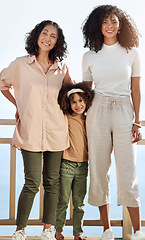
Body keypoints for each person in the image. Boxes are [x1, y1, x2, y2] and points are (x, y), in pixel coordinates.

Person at [0, 20, 72, 240]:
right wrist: (18, 105)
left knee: (52, 182)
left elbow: (73, 92)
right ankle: (20, 230)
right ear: (37, 36)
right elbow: (2, 84)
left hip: (57, 131)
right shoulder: (21, 64)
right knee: (31, 182)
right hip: (30, 131)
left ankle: (47, 229)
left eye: (53, 36)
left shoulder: (62, 68)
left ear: (57, 42)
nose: (48, 38)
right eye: (45, 33)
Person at [82, 5, 142, 240]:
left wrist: (137, 122)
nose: (110, 25)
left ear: (120, 24)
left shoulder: (132, 52)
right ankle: (107, 229)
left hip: (124, 110)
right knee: (98, 169)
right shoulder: (89, 55)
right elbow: (85, 93)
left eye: (114, 21)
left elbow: (135, 89)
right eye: (105, 21)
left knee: (129, 170)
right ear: (98, 25)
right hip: (96, 111)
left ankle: (137, 231)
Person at [55, 82, 94, 240]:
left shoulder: (89, 119)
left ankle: (78, 234)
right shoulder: (65, 117)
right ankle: (58, 231)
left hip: (83, 166)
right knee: (63, 200)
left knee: (79, 203)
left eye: (81, 101)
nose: (78, 105)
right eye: (74, 102)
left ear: (86, 101)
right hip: (66, 165)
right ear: (68, 103)